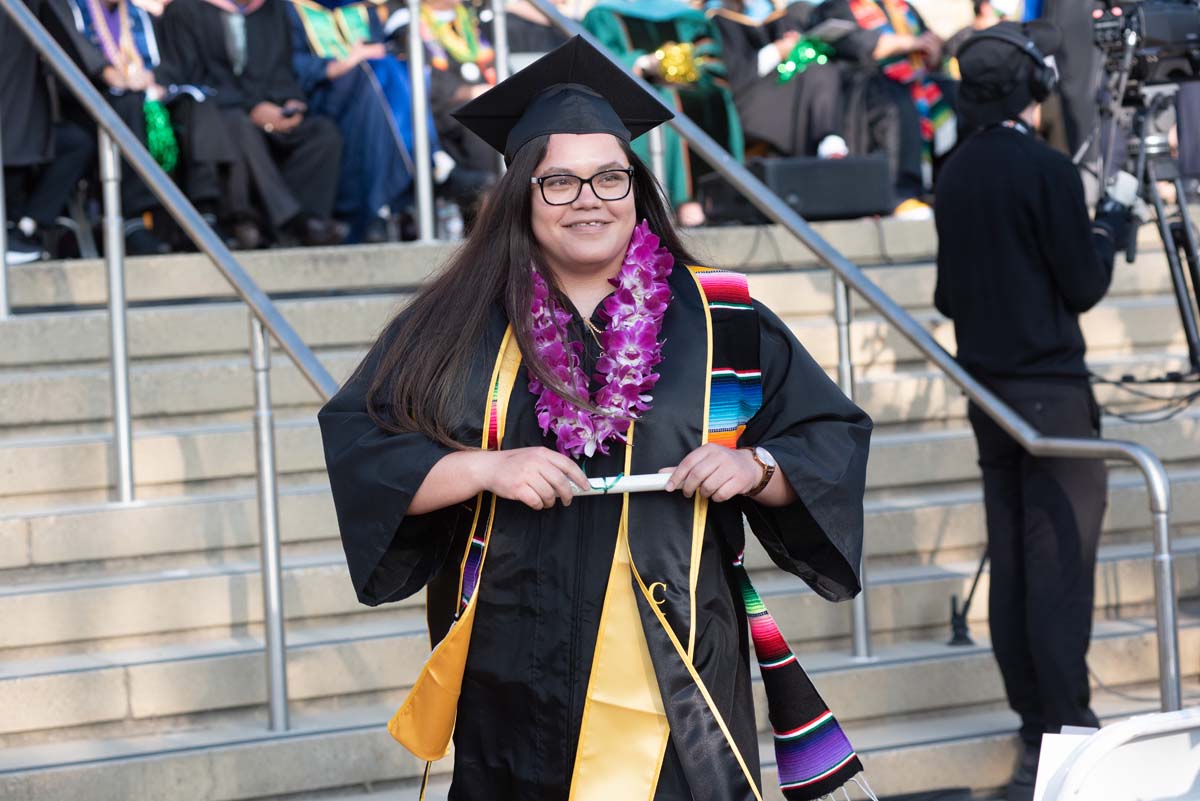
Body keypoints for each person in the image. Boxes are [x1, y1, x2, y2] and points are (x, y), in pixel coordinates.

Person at [319, 35, 873, 801]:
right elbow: (362, 441)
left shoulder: (722, 317)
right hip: (513, 663)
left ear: (637, 188)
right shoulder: (456, 323)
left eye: (610, 177)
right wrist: (485, 467)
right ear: (520, 194)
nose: (590, 199)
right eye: (560, 183)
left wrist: (756, 468)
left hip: (681, 665)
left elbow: (827, 438)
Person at [932, 22, 1132, 801]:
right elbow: (1083, 285)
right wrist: (1107, 229)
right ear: (1035, 88)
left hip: (990, 397)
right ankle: (1070, 734)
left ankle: (1034, 732)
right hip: (1049, 397)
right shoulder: (1046, 170)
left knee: (1017, 562)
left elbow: (950, 295)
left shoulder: (953, 172)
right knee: (1059, 571)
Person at [156, 0, 347, 247]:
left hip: (270, 109)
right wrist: (252, 107)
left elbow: (283, 70)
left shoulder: (273, 9)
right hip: (218, 113)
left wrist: (291, 103)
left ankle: (307, 221)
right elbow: (189, 78)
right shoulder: (184, 11)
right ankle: (289, 221)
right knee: (239, 126)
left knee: (323, 134)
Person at [286, 0, 461, 242]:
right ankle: (427, 162)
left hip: (370, 96)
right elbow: (289, 63)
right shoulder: (289, 8)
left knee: (387, 69)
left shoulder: (363, 8)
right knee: (372, 74)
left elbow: (382, 49)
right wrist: (342, 64)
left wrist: (369, 56)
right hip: (322, 96)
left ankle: (381, 204)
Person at [583, 0, 744, 227]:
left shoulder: (690, 18)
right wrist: (642, 63)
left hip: (690, 85)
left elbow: (711, 62)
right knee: (667, 102)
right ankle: (673, 201)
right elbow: (597, 64)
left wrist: (687, 67)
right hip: (635, 91)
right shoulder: (604, 15)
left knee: (714, 97)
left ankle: (709, 201)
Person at [809, 0, 957, 217]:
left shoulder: (904, 8)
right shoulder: (839, 6)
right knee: (895, 98)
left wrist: (932, 52)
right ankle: (901, 194)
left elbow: (930, 47)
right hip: (863, 85)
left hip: (914, 80)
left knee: (955, 93)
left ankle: (946, 188)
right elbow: (861, 46)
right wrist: (912, 43)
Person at [2, 0, 96, 263]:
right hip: (15, 121)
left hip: (26, 119)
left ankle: (25, 226)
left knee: (77, 143)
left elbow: (69, 44)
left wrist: (105, 70)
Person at [706, 0, 849, 160]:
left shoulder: (780, 15)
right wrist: (776, 51)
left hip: (779, 94)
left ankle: (828, 139)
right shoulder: (717, 21)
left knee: (820, 68)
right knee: (817, 74)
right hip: (745, 103)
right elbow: (735, 78)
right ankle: (826, 140)